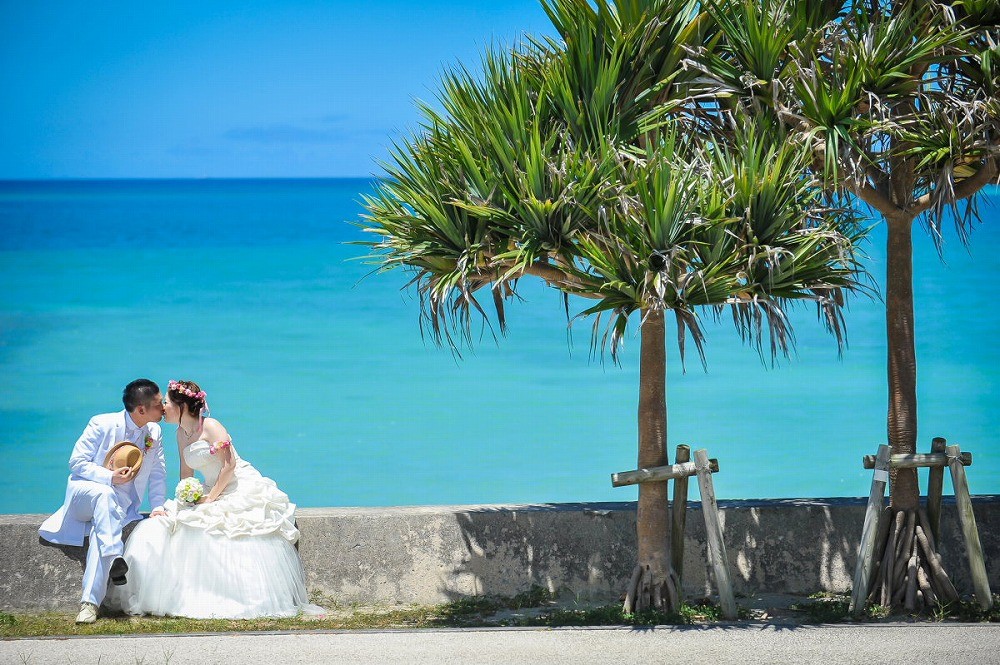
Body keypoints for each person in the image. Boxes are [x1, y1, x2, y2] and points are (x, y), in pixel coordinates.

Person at [107, 379, 320, 619]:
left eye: (166, 402)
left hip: (233, 486)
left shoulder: (211, 426)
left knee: (219, 530)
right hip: (208, 489)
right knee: (168, 526)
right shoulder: (180, 433)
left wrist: (211, 499)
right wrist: (187, 496)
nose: (163, 407)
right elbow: (186, 473)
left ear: (181, 406)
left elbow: (229, 466)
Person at [39, 379, 167, 624]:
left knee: (104, 527)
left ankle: (89, 605)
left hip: (118, 508)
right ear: (141, 409)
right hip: (84, 496)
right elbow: (76, 463)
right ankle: (115, 555)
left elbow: (159, 471)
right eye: (159, 404)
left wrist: (158, 505)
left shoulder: (155, 432)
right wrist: (109, 477)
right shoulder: (101, 423)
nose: (163, 408)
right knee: (104, 494)